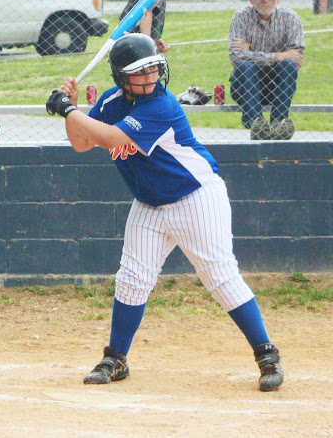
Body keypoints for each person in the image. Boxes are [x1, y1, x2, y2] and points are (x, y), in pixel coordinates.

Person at [46, 33, 283, 392]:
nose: (150, 76)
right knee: (132, 278)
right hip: (149, 203)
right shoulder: (110, 102)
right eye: (140, 72)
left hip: (195, 197)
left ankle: (267, 355)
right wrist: (74, 110)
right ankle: (116, 358)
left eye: (153, 68)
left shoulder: (161, 105)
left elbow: (113, 139)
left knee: (220, 276)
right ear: (121, 77)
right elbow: (81, 143)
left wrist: (68, 109)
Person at [228, 0, 304, 141]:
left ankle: (278, 123)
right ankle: (256, 124)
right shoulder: (240, 17)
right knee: (246, 67)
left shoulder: (290, 18)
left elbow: (295, 58)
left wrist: (250, 51)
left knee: (288, 65)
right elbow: (236, 56)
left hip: (277, 86)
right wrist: (277, 56)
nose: (265, 0)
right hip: (245, 86)